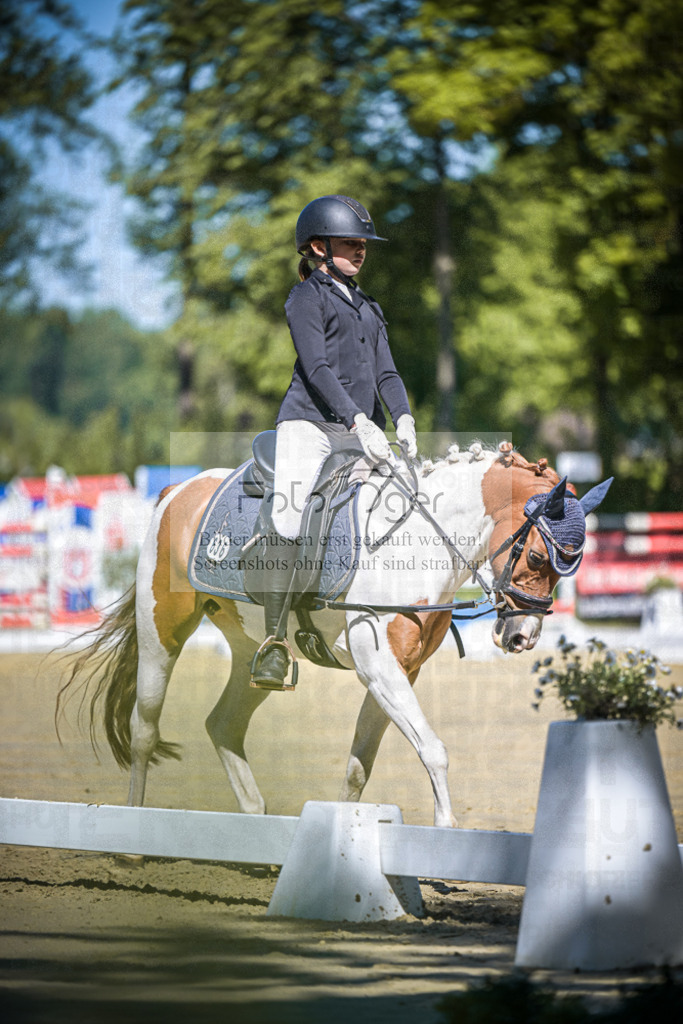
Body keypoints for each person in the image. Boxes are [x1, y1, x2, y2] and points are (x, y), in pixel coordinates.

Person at [251, 194, 417, 688]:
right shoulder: (306, 298)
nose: (361, 249)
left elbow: (386, 372)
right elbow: (316, 368)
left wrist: (403, 417)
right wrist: (356, 420)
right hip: (310, 425)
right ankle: (274, 643)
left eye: (363, 242)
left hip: (359, 430)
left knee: (407, 499)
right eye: (350, 242)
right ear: (318, 247)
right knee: (290, 512)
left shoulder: (368, 306)